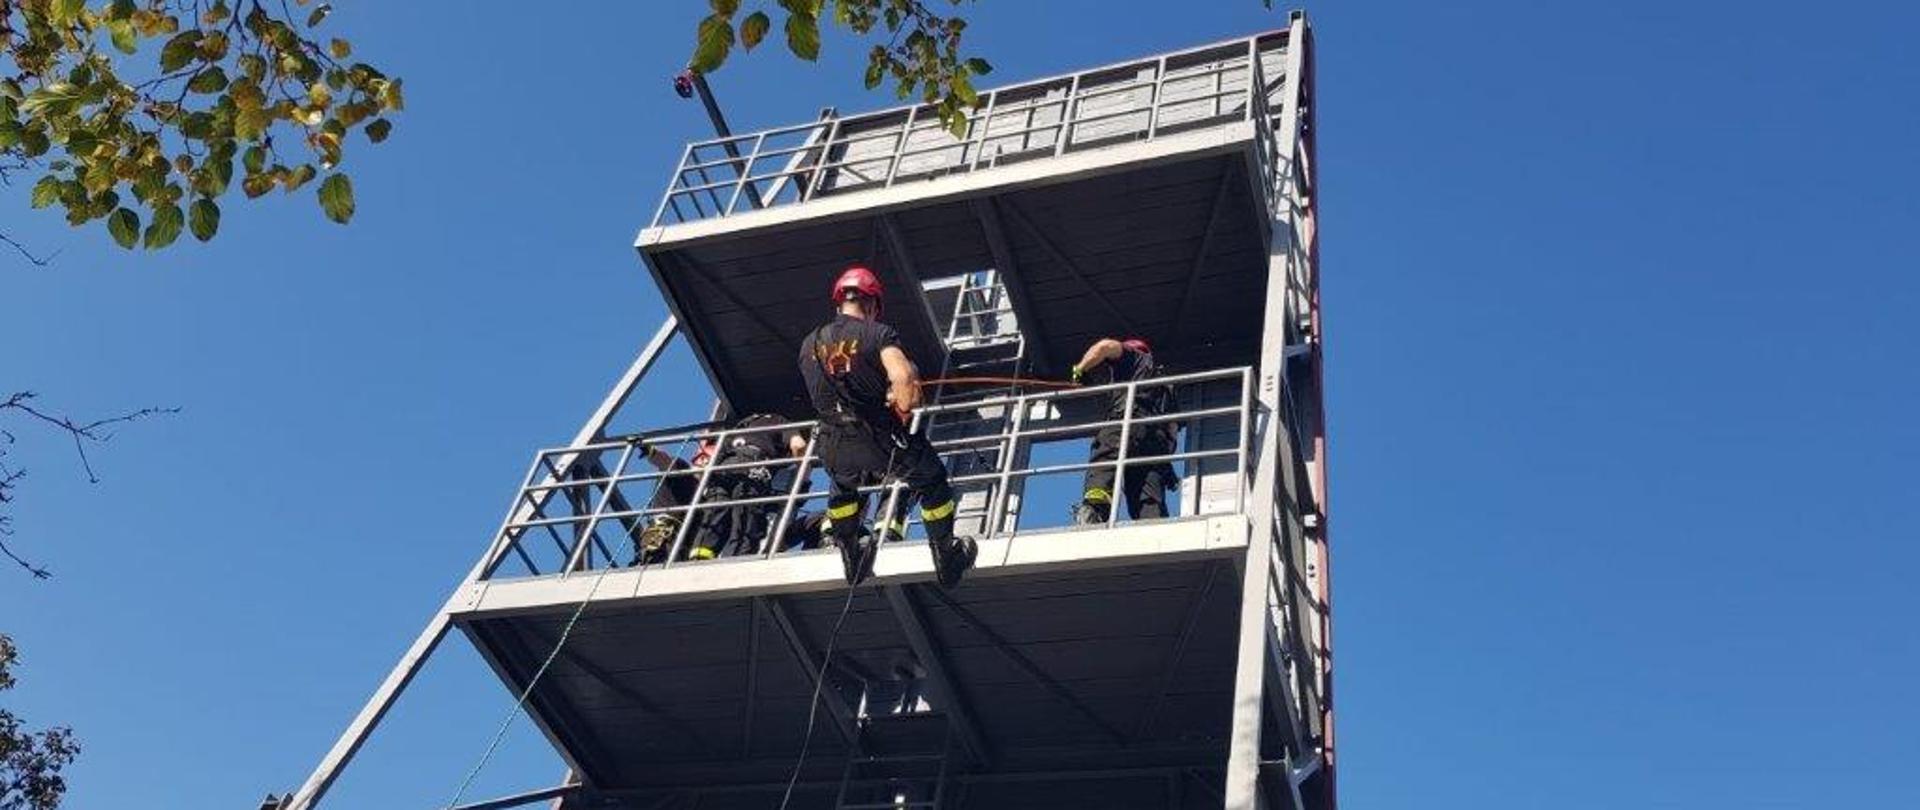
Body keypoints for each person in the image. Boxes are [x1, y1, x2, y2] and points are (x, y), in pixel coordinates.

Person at [797, 265, 976, 587]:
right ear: (872, 304)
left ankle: (852, 557)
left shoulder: (809, 344)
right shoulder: (877, 333)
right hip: (878, 433)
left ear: (839, 301)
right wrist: (904, 409)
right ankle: (946, 555)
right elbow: (903, 376)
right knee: (932, 481)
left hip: (832, 441)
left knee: (842, 489)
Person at [1069, 337, 1178, 525]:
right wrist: (1165, 465)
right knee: (1147, 496)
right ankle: (1153, 528)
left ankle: (1093, 514)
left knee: (1105, 464)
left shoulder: (1135, 358)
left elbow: (1105, 346)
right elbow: (1173, 429)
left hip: (1126, 426)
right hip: (1154, 444)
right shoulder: (1166, 387)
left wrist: (1080, 369)